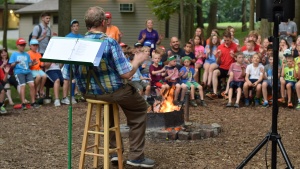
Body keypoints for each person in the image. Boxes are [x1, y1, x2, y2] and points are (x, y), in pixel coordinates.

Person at [62, 6, 155, 167]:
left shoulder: (77, 43)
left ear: (86, 24)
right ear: (103, 22)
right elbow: (126, 74)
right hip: (112, 92)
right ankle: (136, 156)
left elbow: (66, 74)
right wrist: (137, 61)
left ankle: (113, 150)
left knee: (111, 108)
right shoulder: (109, 42)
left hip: (88, 94)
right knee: (139, 108)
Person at [8, 38, 40, 110]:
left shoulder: (26, 54)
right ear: (17, 46)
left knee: (32, 85)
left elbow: (29, 64)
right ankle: (23, 103)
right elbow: (10, 65)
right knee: (23, 86)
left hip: (27, 71)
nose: (23, 47)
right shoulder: (14, 54)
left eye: (24, 45)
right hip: (19, 72)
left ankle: (33, 102)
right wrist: (15, 63)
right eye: (21, 45)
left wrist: (32, 63)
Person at [206, 31, 237, 99]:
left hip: (231, 68)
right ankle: (214, 93)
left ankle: (226, 92)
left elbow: (239, 59)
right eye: (225, 40)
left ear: (231, 39)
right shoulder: (220, 47)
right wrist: (219, 56)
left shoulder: (235, 46)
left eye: (228, 40)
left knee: (231, 74)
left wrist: (234, 56)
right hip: (222, 67)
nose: (226, 42)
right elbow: (218, 62)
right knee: (215, 72)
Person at [63, 19, 84, 104]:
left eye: (77, 26)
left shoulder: (81, 37)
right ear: (71, 27)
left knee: (74, 79)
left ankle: (72, 96)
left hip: (77, 62)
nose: (75, 27)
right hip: (69, 61)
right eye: (73, 26)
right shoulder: (67, 37)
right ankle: (64, 97)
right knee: (66, 79)